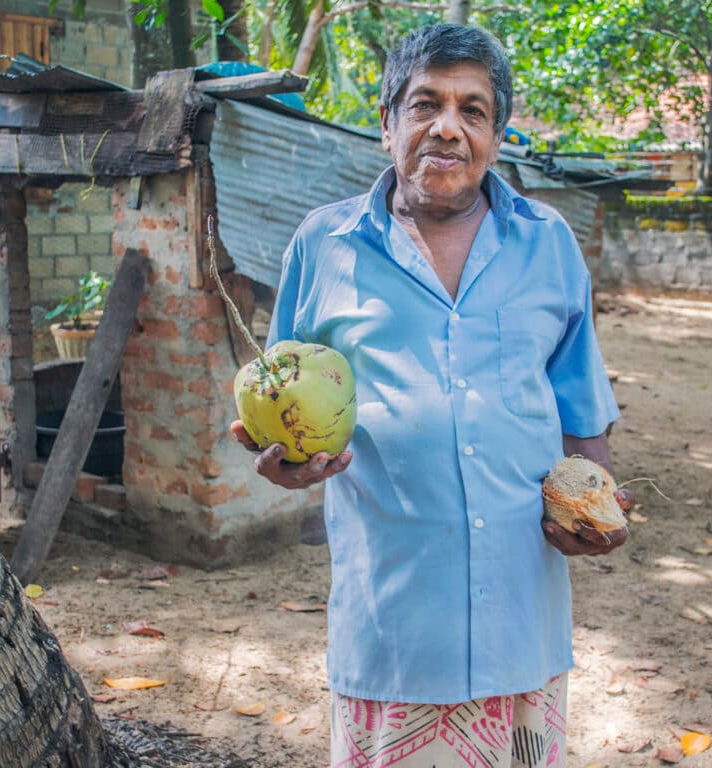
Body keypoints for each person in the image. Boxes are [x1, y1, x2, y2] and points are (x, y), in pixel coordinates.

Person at [231, 22, 631, 768]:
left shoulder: (548, 243)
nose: (448, 127)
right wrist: (284, 464)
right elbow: (279, 400)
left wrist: (596, 507)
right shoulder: (323, 246)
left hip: (521, 625)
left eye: (472, 110)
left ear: (498, 136)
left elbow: (581, 409)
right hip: (393, 631)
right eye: (425, 105)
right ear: (387, 124)